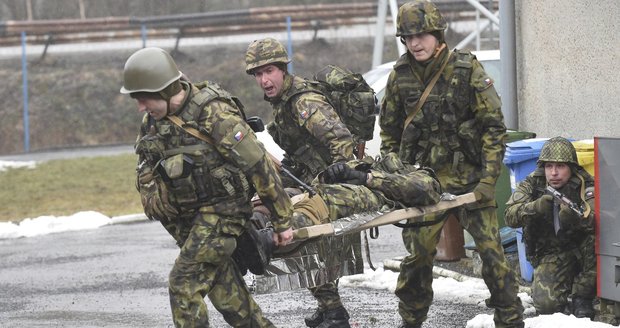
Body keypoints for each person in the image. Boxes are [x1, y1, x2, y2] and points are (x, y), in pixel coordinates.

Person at [120, 47, 294, 328]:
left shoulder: (213, 113)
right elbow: (148, 166)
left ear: (166, 90)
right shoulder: (152, 122)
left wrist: (282, 219)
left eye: (144, 98)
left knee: (183, 285)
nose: (141, 107)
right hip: (190, 220)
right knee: (230, 298)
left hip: (224, 212)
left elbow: (258, 164)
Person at [378, 1, 524, 327]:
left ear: (437, 33)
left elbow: (493, 127)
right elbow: (388, 136)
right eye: (408, 37)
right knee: (416, 260)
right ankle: (411, 321)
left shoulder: (466, 69)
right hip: (425, 185)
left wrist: (488, 180)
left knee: (492, 257)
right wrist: (397, 175)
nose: (415, 43)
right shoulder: (400, 77)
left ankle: (510, 319)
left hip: (471, 180)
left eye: (422, 35)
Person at [244, 37, 358, 328]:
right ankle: (332, 309)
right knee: (263, 196)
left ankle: (334, 311)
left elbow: (342, 142)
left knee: (291, 226)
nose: (264, 80)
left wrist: (332, 180)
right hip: (305, 176)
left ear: (283, 69)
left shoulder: (304, 101)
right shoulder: (282, 103)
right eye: (258, 74)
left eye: (269, 71)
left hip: (326, 185)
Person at [505, 137, 596, 319]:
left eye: (560, 166)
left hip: (582, 251)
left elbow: (598, 220)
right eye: (549, 166)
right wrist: (535, 208)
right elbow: (509, 216)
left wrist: (574, 219)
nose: (554, 173)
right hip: (551, 253)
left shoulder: (585, 184)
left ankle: (582, 296)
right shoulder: (533, 184)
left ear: (571, 167)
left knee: (597, 243)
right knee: (546, 306)